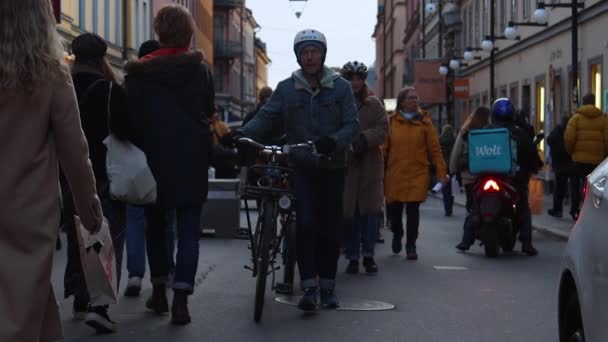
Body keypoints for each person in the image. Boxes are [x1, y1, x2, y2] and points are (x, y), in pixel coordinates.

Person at [0, 1, 102, 340]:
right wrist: (90, 208)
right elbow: (75, 150)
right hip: (28, 209)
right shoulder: (51, 73)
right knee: (27, 299)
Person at [237, 29, 359, 311]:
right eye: (305, 52)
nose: (310, 57)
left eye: (314, 51)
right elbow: (266, 117)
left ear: (323, 54)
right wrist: (241, 134)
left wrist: (335, 141)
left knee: (329, 228)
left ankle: (328, 286)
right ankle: (309, 287)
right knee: (305, 225)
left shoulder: (340, 87)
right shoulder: (287, 88)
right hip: (301, 167)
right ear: (298, 56)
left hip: (332, 167)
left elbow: (352, 125)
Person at [114, 4, 215, 325]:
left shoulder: (139, 74)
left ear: (158, 32)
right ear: (187, 33)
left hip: (153, 160)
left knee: (156, 228)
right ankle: (182, 299)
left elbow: (128, 120)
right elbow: (208, 110)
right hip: (192, 160)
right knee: (189, 232)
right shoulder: (199, 71)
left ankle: (158, 292)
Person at [63, 32, 127, 333]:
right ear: (102, 57)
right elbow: (127, 130)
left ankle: (79, 294)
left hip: (62, 173)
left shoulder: (63, 85)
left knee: (75, 236)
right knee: (100, 234)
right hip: (101, 171)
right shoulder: (110, 90)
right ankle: (98, 306)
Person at [124, 39, 177, 298]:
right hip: (166, 162)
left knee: (135, 220)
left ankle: (135, 275)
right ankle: (166, 270)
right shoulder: (170, 85)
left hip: (135, 162)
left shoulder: (131, 84)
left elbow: (121, 122)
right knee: (165, 220)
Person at [382, 87, 448, 260]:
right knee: (395, 212)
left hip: (417, 173)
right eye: (411, 98)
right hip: (395, 173)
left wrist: (442, 173)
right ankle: (397, 233)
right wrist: (377, 170)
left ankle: (411, 245)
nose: (414, 101)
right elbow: (383, 149)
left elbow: (435, 149)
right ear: (402, 102)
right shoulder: (391, 122)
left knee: (413, 211)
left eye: (416, 98)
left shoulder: (425, 122)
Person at [340, 61, 388, 275]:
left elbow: (383, 130)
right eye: (351, 79)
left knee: (370, 212)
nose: (355, 83)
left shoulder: (374, 104)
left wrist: (364, 139)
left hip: (370, 165)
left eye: (358, 78)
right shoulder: (338, 103)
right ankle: (352, 257)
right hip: (347, 164)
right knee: (349, 213)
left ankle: (368, 256)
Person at [488, 98, 543, 256]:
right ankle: (527, 243)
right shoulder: (519, 133)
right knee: (523, 206)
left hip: (490, 173)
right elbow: (530, 153)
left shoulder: (487, 130)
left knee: (474, 205)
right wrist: (535, 165)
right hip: (514, 177)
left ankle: (467, 237)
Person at [450, 107, 491, 251]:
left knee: (473, 207)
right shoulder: (493, 130)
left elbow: (456, 152)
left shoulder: (466, 131)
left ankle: (466, 240)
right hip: (491, 173)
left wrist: (453, 170)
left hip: (470, 176)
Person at [564, 93, 608, 220]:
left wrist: (571, 152)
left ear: (583, 102)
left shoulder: (575, 119)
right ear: (594, 102)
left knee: (576, 185)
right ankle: (594, 211)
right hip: (596, 162)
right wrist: (603, 156)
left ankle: (575, 210)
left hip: (578, 160)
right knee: (595, 187)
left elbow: (569, 139)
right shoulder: (603, 120)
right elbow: (607, 140)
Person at [546, 114, 576, 219]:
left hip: (559, 163)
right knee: (574, 188)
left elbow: (549, 140)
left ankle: (558, 210)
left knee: (559, 187)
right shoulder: (573, 130)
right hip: (571, 162)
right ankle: (574, 210)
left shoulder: (558, 129)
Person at [439, 124, 456, 216]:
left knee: (445, 188)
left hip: (443, 167)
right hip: (452, 166)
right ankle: (450, 206)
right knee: (451, 188)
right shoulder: (454, 140)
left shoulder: (440, 140)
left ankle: (447, 209)